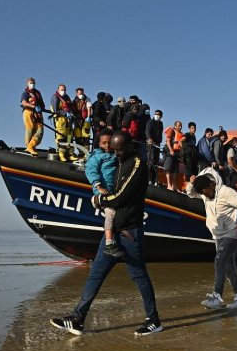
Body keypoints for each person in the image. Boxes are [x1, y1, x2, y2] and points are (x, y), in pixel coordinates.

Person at [50, 131, 162, 336]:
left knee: (138, 275)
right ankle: (78, 318)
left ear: (129, 146)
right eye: (114, 148)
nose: (116, 153)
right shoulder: (117, 162)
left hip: (130, 231)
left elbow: (121, 197)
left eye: (119, 149)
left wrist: (99, 201)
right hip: (112, 232)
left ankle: (153, 320)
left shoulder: (137, 164)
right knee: (96, 273)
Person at [186, 168, 237, 310]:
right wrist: (191, 183)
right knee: (227, 267)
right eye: (203, 194)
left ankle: (217, 296)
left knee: (219, 260)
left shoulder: (226, 192)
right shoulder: (204, 192)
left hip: (231, 233)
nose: (205, 196)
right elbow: (190, 193)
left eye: (206, 193)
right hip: (218, 234)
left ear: (212, 185)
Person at [84, 128, 125, 257]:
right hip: (103, 191)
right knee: (110, 213)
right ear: (99, 144)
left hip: (113, 192)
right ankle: (109, 243)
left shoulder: (116, 156)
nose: (107, 146)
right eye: (104, 143)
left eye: (109, 143)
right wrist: (98, 185)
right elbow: (90, 170)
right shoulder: (96, 157)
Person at [51, 84, 78, 162]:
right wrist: (64, 113)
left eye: (64, 90)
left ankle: (70, 154)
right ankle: (61, 154)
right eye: (62, 90)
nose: (63, 91)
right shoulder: (55, 97)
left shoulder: (67, 97)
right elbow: (55, 110)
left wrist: (71, 113)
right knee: (61, 137)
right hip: (60, 120)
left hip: (68, 120)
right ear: (58, 89)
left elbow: (70, 107)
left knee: (70, 136)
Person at [20, 77, 45, 157]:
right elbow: (24, 102)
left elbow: (41, 103)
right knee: (30, 129)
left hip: (38, 113)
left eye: (33, 83)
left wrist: (41, 108)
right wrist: (32, 106)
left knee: (40, 130)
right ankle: (29, 147)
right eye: (30, 83)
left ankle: (31, 146)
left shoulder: (38, 93)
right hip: (28, 111)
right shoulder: (25, 93)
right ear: (27, 84)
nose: (32, 85)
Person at [163, 121, 184, 191]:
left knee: (175, 170)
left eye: (181, 126)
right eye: (179, 126)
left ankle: (174, 185)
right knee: (168, 168)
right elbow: (168, 141)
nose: (180, 127)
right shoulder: (171, 130)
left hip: (177, 153)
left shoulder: (182, 134)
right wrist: (171, 150)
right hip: (170, 151)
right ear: (175, 126)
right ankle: (168, 185)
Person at [145, 109, 164, 185]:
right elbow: (147, 131)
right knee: (150, 161)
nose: (157, 115)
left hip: (157, 144)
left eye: (159, 114)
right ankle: (148, 179)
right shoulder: (150, 122)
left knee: (156, 162)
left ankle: (154, 180)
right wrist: (149, 138)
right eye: (156, 114)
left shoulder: (161, 123)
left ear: (161, 116)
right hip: (151, 143)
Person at [73, 88, 92, 153]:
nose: (81, 95)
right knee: (77, 136)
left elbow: (89, 108)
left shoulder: (87, 99)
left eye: (82, 93)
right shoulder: (74, 100)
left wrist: (88, 117)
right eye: (79, 93)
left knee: (86, 136)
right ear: (77, 93)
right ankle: (80, 152)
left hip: (85, 119)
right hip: (77, 120)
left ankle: (86, 153)